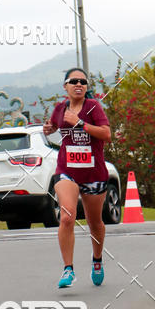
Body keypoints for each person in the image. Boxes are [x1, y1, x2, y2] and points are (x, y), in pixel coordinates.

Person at [43, 68, 111, 288]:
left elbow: (107, 134)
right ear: (65, 86)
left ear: (87, 86)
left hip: (93, 173)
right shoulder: (60, 108)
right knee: (66, 217)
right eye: (74, 81)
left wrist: (80, 123)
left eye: (83, 81)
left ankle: (97, 259)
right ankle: (68, 270)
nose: (78, 84)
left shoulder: (94, 107)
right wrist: (48, 128)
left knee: (94, 223)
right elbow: (54, 126)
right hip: (67, 170)